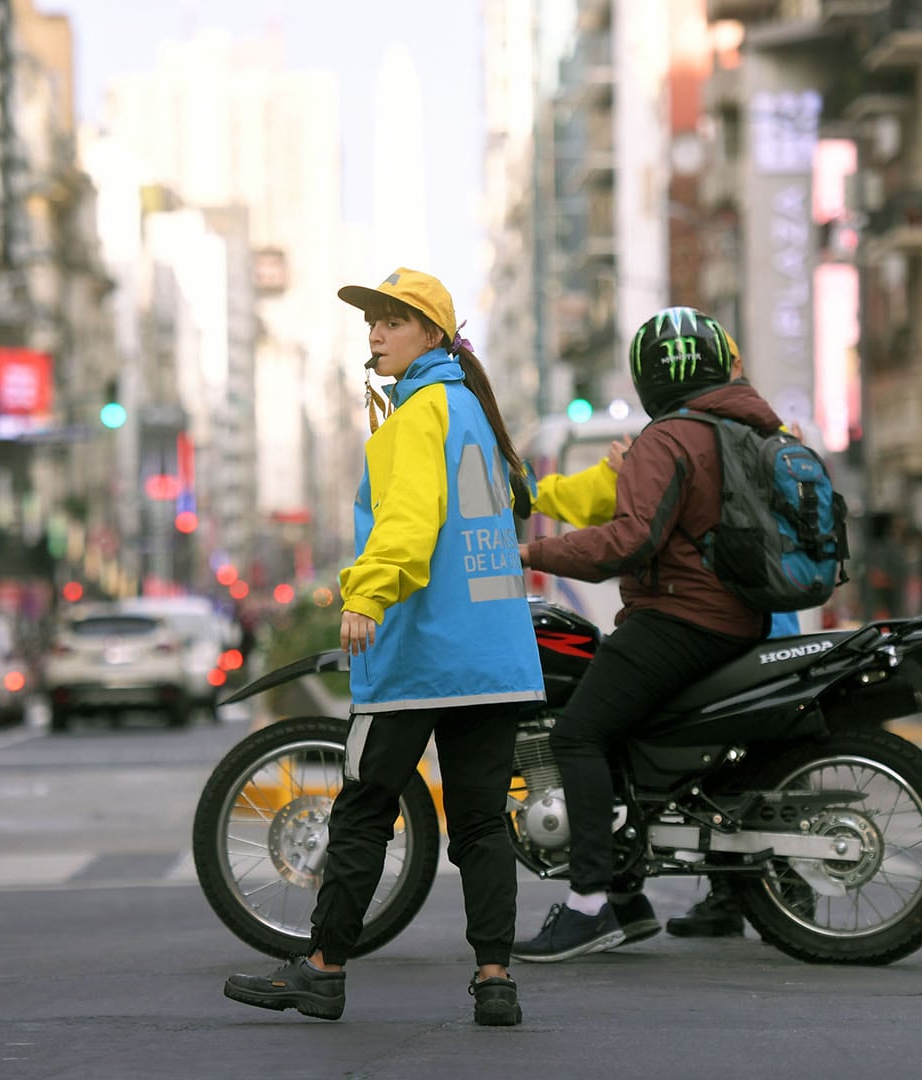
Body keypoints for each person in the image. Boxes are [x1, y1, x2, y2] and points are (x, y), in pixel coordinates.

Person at [223, 268, 545, 1026]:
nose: (376, 333)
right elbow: (514, 505)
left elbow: (408, 520)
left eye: (393, 320)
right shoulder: (474, 411)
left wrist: (366, 596)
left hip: (419, 656)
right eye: (372, 320)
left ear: (432, 335)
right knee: (480, 822)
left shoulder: (418, 415)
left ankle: (324, 968)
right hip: (493, 658)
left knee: (365, 809)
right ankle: (495, 979)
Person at [510, 306, 779, 962]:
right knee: (622, 736)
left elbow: (629, 542)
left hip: (681, 618)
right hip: (737, 617)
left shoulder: (669, 438)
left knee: (578, 733)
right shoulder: (744, 429)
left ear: (648, 374)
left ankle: (589, 905)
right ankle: (628, 898)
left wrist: (532, 553)